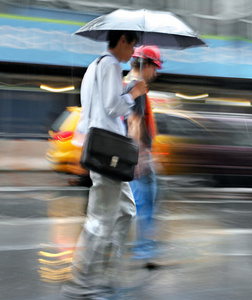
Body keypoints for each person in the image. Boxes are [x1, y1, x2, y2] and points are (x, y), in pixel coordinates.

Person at [61, 30, 147, 299]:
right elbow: (112, 108)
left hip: (101, 149)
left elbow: (96, 105)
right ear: (122, 40)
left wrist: (127, 88)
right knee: (99, 220)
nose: (132, 53)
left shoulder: (94, 66)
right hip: (109, 152)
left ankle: (109, 268)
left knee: (127, 212)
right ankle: (82, 279)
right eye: (132, 45)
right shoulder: (110, 64)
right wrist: (133, 94)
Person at [122, 45, 162, 270]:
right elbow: (134, 122)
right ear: (145, 65)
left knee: (143, 204)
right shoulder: (136, 86)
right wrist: (140, 157)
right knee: (144, 205)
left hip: (138, 155)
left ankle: (142, 248)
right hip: (139, 156)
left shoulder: (132, 84)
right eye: (154, 67)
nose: (156, 72)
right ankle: (143, 251)